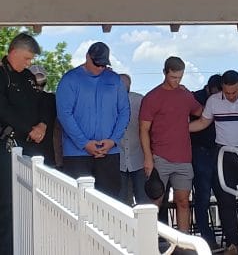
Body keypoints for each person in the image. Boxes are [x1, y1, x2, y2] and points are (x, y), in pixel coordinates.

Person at [189, 70, 238, 255]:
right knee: (225, 199)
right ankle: (232, 244)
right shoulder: (213, 101)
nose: (230, 96)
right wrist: (180, 129)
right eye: (226, 92)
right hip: (222, 154)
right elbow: (203, 122)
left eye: (234, 92)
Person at [56, 42, 129, 198]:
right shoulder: (69, 80)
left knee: (110, 203)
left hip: (109, 152)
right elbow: (64, 114)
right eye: (97, 64)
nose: (100, 68)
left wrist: (113, 140)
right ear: (87, 57)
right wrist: (84, 143)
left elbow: (124, 111)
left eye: (103, 65)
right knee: (77, 202)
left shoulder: (115, 80)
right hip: (77, 154)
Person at [139, 56, 202, 234]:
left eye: (180, 77)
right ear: (165, 72)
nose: (177, 81)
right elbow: (143, 129)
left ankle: (184, 245)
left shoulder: (184, 95)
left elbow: (201, 112)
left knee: (183, 201)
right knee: (155, 201)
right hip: (160, 157)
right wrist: (148, 158)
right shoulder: (152, 97)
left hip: (183, 157)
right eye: (173, 77)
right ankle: (148, 243)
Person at [0, 33, 46, 255]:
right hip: (6, 146)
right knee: (8, 204)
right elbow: (3, 109)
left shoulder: (27, 77)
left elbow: (42, 102)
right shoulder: (1, 75)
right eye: (27, 58)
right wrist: (29, 128)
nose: (29, 63)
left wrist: (43, 125)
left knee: (30, 202)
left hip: (30, 146)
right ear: (14, 52)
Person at [190, 74, 222, 249]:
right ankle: (207, 239)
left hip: (219, 150)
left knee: (224, 194)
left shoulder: (226, 96)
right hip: (199, 151)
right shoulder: (195, 99)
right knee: (202, 197)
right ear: (209, 89)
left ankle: (230, 238)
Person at [119, 73, 148, 205]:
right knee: (121, 201)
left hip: (139, 158)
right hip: (118, 159)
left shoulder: (140, 100)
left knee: (143, 200)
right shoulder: (108, 101)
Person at [29, 65, 57, 166]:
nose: (38, 86)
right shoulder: (22, 100)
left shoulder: (50, 99)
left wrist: (43, 124)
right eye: (35, 83)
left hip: (47, 154)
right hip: (27, 152)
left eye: (42, 82)